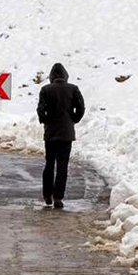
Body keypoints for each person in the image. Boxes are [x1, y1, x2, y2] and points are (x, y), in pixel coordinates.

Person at [36, 63, 85, 209]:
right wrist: (73, 119)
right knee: (62, 167)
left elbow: (40, 109)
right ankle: (58, 197)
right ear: (65, 75)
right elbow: (81, 107)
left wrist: (45, 120)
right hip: (66, 134)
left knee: (49, 164)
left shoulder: (45, 89)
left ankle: (47, 195)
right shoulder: (73, 89)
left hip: (51, 133)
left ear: (51, 76)